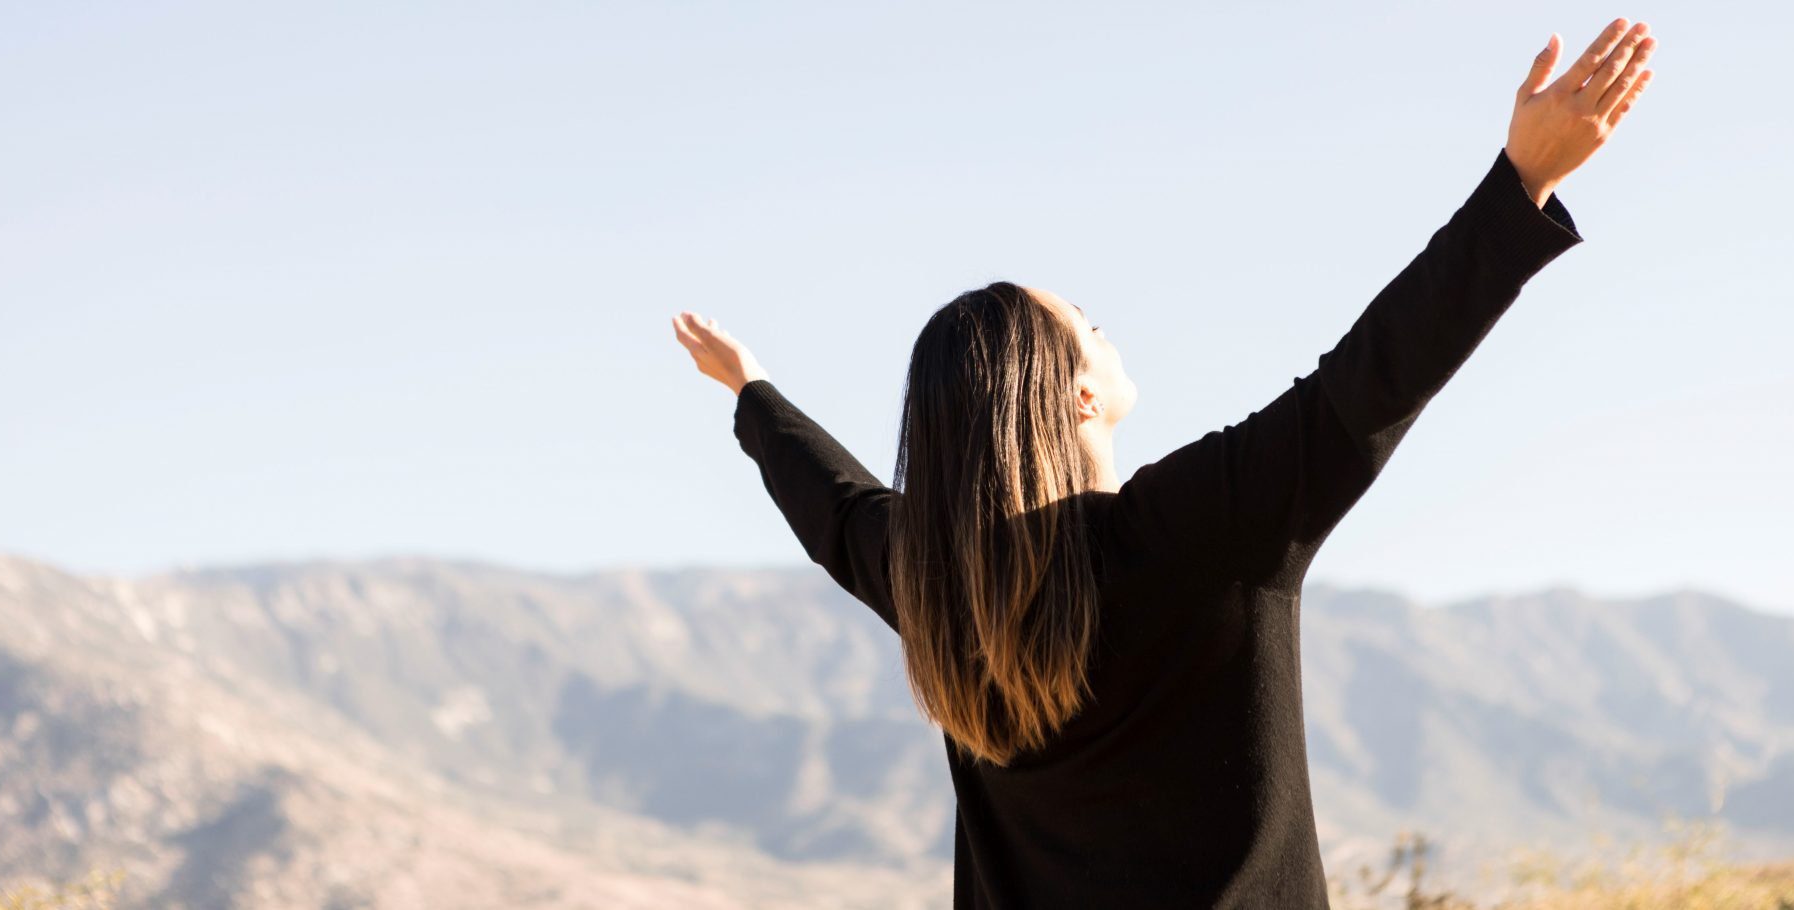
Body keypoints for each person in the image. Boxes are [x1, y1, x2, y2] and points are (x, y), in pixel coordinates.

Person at [670, 18, 1656, 909]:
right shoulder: (1200, 528)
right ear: (1076, 395)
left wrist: (754, 397)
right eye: (1087, 327)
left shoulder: (939, 586)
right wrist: (1517, 185)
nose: (1107, 328)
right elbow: (1369, 379)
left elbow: (835, 511)